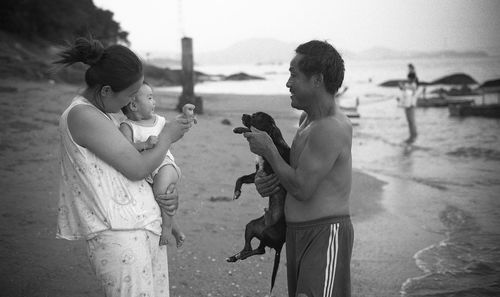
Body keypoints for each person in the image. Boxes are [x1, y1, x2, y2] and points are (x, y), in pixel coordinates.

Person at [55, 36, 191, 297]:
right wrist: (167, 137)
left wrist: (165, 210)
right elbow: (137, 168)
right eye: (129, 96)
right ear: (106, 90)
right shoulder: (82, 115)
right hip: (118, 233)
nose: (130, 104)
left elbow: (128, 174)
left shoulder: (102, 114)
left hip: (141, 226)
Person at [242, 40, 354, 297]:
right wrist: (263, 178)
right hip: (297, 233)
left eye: (293, 75)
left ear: (317, 80)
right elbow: (293, 173)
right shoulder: (307, 120)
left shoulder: (331, 127)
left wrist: (269, 149)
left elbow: (302, 189)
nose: (288, 83)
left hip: (325, 234)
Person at [120, 82, 188, 247]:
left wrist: (185, 117)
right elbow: (124, 148)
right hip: (147, 170)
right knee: (160, 201)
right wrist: (144, 144)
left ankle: (166, 228)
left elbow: (174, 128)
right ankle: (177, 230)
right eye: (149, 98)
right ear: (134, 105)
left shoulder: (159, 121)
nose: (154, 102)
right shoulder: (127, 126)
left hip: (165, 165)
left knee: (161, 192)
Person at [398, 63, 419, 144]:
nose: (409, 80)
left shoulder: (413, 85)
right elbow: (403, 89)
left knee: (411, 121)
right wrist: (401, 86)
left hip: (411, 105)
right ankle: (411, 136)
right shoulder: (409, 84)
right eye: (408, 79)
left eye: (410, 79)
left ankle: (414, 135)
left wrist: (403, 86)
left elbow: (410, 88)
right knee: (409, 121)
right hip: (407, 105)